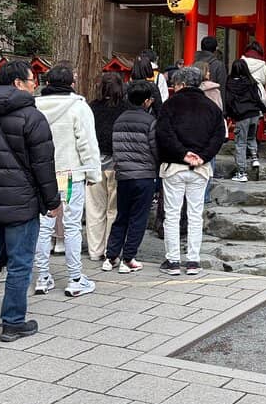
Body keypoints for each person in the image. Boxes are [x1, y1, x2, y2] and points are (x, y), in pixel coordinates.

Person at [0, 60, 60, 342]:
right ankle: (13, 322)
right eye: (32, 80)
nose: (35, 85)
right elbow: (44, 165)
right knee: (19, 263)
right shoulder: (32, 117)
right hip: (22, 201)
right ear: (18, 83)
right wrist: (52, 200)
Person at [33, 65, 101, 298]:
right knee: (71, 225)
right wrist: (93, 175)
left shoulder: (34, 106)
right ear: (71, 83)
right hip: (70, 174)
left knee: (43, 226)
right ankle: (74, 278)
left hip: (41, 175)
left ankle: (42, 276)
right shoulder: (79, 107)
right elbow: (87, 145)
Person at [156, 66, 226, 276]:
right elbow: (218, 135)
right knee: (196, 214)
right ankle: (193, 260)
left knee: (172, 214)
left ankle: (173, 260)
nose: (174, 88)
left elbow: (164, 134)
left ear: (182, 84)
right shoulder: (212, 107)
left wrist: (182, 154)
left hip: (174, 167)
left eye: (175, 85)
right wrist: (202, 156)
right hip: (201, 168)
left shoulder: (170, 105)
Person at [103, 80, 158, 273]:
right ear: (146, 101)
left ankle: (111, 256)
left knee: (122, 216)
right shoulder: (150, 122)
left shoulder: (120, 119)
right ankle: (129, 258)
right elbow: (155, 149)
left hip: (124, 174)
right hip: (144, 175)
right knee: (138, 217)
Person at [87, 71, 126, 262]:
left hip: (94, 163)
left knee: (94, 209)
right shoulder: (126, 109)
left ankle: (95, 250)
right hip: (118, 164)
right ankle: (111, 250)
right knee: (114, 210)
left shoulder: (91, 107)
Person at [225, 60, 266, 182]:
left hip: (241, 115)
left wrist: (230, 115)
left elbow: (229, 101)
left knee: (240, 143)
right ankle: (254, 158)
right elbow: (257, 98)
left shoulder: (230, 83)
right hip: (254, 113)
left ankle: (241, 172)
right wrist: (264, 111)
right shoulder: (251, 81)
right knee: (251, 137)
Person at [193, 35, 228, 102]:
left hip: (196, 103)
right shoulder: (219, 65)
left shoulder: (194, 64)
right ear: (215, 49)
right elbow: (222, 89)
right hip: (212, 103)